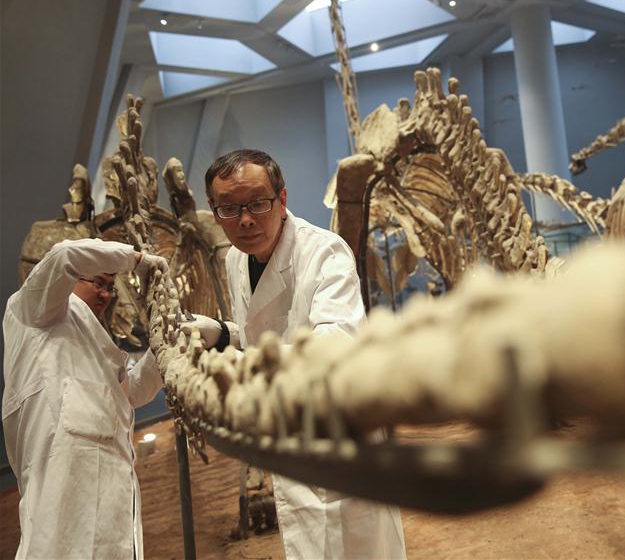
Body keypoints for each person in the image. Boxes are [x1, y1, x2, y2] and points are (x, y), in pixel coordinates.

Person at [183, 149, 406, 560]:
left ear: (282, 199)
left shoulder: (325, 253)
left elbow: (334, 343)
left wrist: (242, 365)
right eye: (229, 208)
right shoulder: (237, 260)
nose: (245, 219)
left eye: (257, 203)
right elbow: (264, 335)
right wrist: (221, 335)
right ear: (214, 212)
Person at [2, 238, 167, 558]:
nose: (106, 294)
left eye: (111, 287)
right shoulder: (31, 309)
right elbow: (66, 254)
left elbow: (129, 394)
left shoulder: (93, 343)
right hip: (64, 499)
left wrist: (163, 350)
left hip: (111, 505)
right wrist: (134, 259)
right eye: (99, 283)